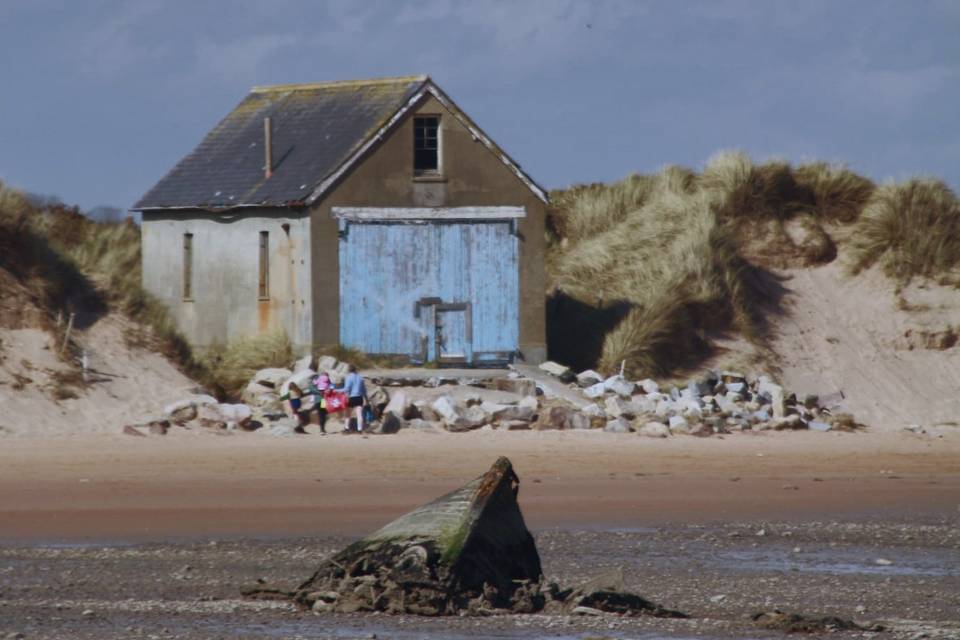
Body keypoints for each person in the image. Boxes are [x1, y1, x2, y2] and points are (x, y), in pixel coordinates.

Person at [341, 364, 367, 432]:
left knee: (348, 414)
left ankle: (346, 428)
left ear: (349, 370)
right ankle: (360, 429)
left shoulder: (348, 377)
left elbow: (346, 389)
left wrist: (336, 390)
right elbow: (364, 390)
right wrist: (366, 399)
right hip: (359, 397)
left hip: (351, 398)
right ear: (355, 369)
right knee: (359, 414)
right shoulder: (360, 378)